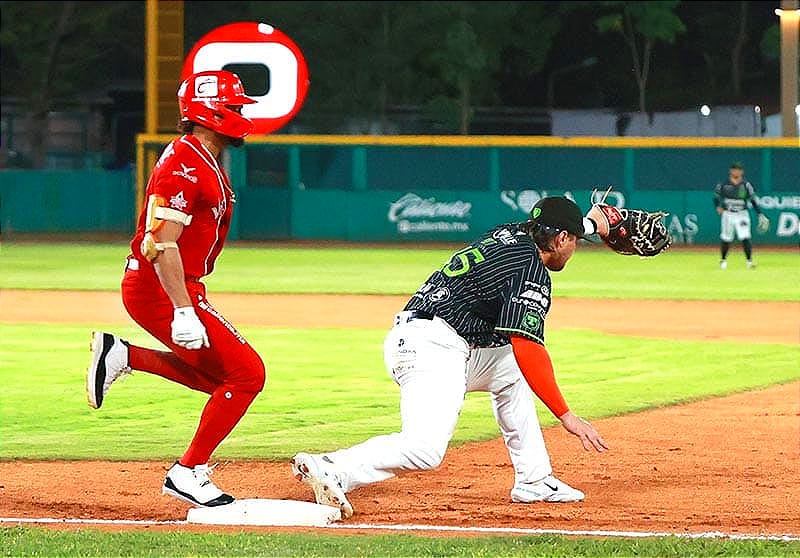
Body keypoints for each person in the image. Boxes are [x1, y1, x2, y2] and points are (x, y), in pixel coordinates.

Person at [291, 196, 609, 519]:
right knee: (425, 450)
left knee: (510, 369)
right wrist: (566, 415)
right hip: (432, 349)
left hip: (429, 339)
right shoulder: (529, 269)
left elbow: (557, 228)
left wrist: (594, 224)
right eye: (575, 241)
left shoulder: (512, 233)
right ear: (561, 238)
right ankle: (332, 467)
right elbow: (528, 347)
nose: (575, 248)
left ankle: (534, 480)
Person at [85, 70, 266, 508]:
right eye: (235, 106)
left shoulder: (201, 156)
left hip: (173, 284)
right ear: (212, 111)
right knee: (247, 375)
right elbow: (160, 242)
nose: (241, 114)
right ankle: (187, 472)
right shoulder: (185, 163)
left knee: (223, 379)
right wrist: (183, 310)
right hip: (160, 287)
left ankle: (124, 355)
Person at [713, 161, 766, 269]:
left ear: (742, 172)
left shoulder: (746, 185)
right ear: (731, 171)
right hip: (728, 214)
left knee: (745, 237)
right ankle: (723, 260)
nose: (736, 171)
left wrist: (759, 213)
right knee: (726, 238)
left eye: (738, 170)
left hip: (742, 214)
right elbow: (716, 197)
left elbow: (753, 200)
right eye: (734, 169)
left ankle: (749, 262)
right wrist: (717, 207)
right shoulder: (723, 184)